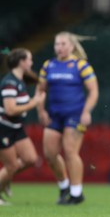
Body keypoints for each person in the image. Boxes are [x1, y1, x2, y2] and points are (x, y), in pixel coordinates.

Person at [36, 31, 99, 205]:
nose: (60, 47)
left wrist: (86, 111)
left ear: (71, 46)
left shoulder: (81, 66)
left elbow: (93, 91)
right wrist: (41, 111)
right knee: (50, 154)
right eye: (57, 44)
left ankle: (76, 193)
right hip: (55, 115)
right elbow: (41, 90)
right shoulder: (48, 65)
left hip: (75, 115)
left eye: (63, 44)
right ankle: (64, 186)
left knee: (70, 151)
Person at [0, 48, 46, 205]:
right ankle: (4, 180)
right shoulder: (9, 83)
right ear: (21, 62)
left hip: (16, 126)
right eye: (29, 59)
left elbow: (39, 80)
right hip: (4, 127)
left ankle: (5, 179)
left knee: (31, 159)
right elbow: (10, 109)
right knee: (11, 165)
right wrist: (33, 103)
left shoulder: (19, 80)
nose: (31, 62)